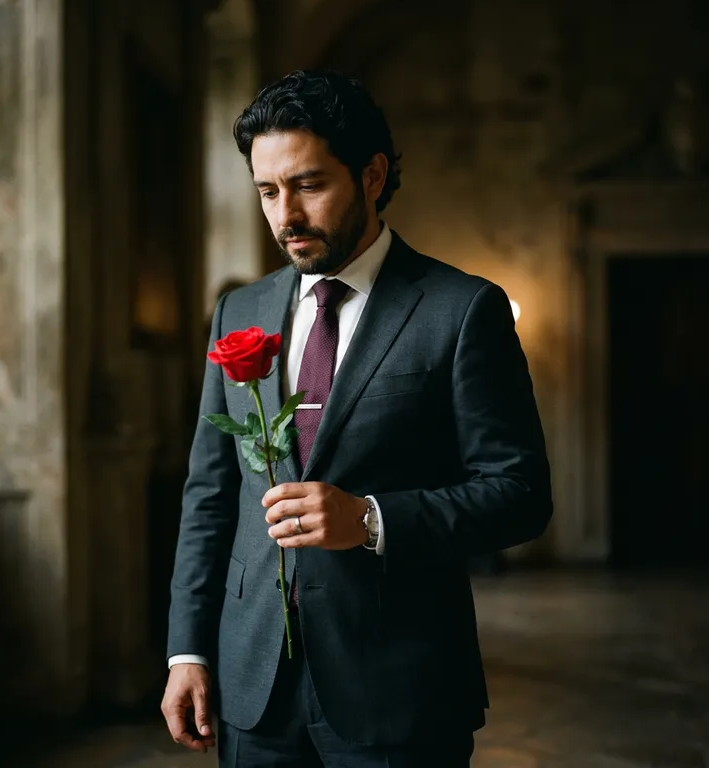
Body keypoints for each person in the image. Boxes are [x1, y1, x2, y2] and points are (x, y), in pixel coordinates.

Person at [161, 69, 552, 767]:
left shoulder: (461, 310)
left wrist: (370, 520)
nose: (286, 215)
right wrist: (186, 650)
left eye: (308, 185)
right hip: (252, 690)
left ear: (372, 176)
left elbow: (520, 495)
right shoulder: (239, 313)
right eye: (267, 191)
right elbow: (210, 499)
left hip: (400, 688)